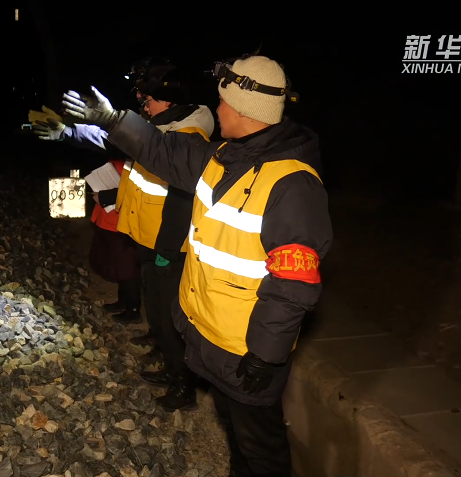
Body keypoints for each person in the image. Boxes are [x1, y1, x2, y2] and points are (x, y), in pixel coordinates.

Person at [61, 55, 333, 477]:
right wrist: (114, 120)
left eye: (223, 101)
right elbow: (161, 150)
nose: (216, 109)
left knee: (261, 449)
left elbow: (293, 283)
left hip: (247, 352)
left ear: (244, 110)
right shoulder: (224, 157)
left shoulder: (292, 185)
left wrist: (265, 354)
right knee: (237, 437)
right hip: (211, 337)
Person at [41, 63, 214, 412]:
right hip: (148, 236)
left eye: (148, 99)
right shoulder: (160, 127)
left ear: (169, 100)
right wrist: (69, 131)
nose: (143, 104)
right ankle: (167, 360)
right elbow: (112, 140)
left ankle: (183, 387)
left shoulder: (188, 135)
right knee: (159, 310)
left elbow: (180, 201)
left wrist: (167, 249)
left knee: (170, 316)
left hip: (168, 244)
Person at [32, 121, 143, 319]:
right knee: (116, 263)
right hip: (108, 217)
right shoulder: (121, 152)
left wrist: (106, 196)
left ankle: (132, 310)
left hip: (123, 221)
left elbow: (135, 192)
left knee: (127, 266)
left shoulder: (142, 156)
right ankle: (123, 302)